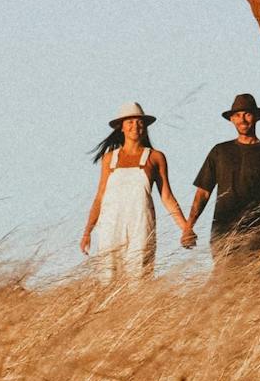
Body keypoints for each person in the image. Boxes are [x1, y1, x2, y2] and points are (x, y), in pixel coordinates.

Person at [81, 102, 194, 281]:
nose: (135, 126)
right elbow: (100, 196)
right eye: (130, 122)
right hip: (111, 226)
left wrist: (186, 228)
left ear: (145, 126)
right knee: (107, 278)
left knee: (139, 276)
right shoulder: (110, 158)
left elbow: (167, 196)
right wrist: (88, 231)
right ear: (122, 127)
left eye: (139, 122)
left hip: (141, 224)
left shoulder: (155, 157)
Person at [186, 93, 260, 278]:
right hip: (222, 229)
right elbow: (203, 192)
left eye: (247, 114)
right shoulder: (219, 151)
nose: (243, 119)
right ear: (231, 119)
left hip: (254, 232)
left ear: (255, 117)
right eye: (238, 115)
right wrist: (188, 226)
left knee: (250, 283)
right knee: (223, 281)